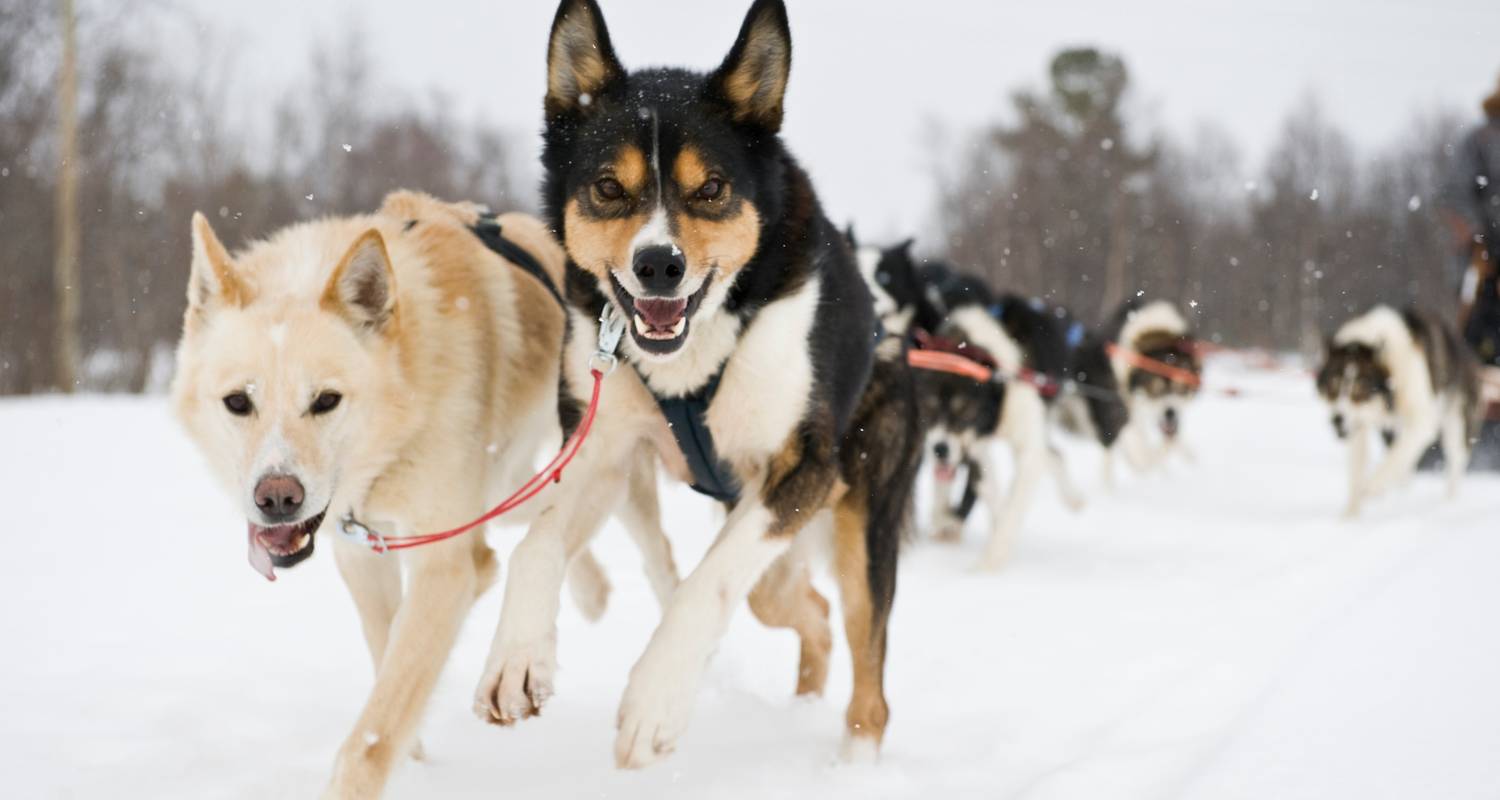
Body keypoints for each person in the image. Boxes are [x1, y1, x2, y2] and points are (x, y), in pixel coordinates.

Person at [1441, 74, 1500, 367]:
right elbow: (1456, 193)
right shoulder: (1481, 140)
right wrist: (1476, 235)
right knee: (1477, 331)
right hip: (1484, 257)